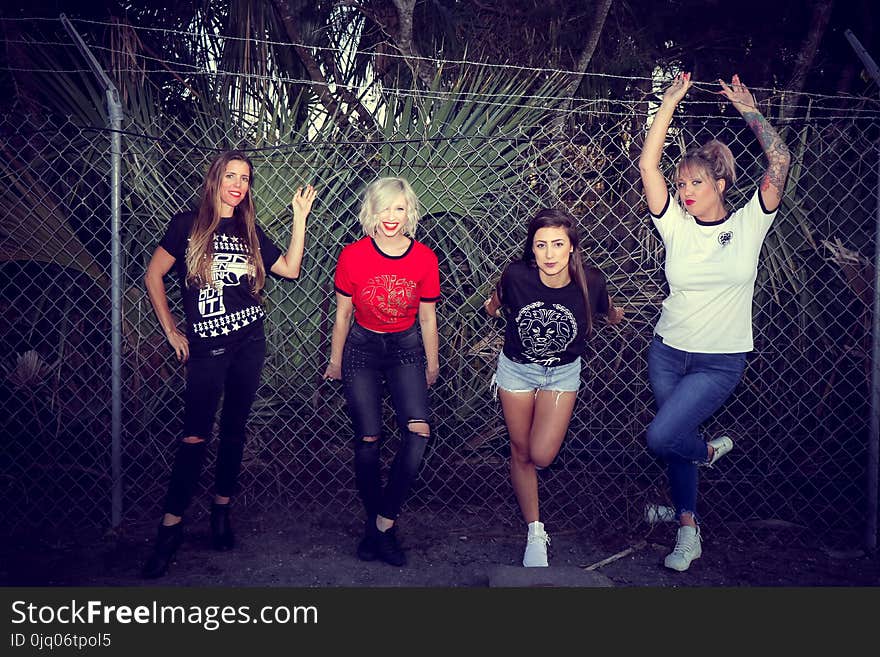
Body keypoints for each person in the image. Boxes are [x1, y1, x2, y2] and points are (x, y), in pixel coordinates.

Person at [638, 73, 791, 572]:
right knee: (674, 442)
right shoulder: (673, 225)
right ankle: (688, 529)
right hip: (668, 351)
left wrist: (750, 109)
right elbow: (647, 163)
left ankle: (704, 451)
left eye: (695, 183)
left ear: (720, 185)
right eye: (681, 184)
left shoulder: (750, 221)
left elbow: (781, 161)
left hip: (719, 362)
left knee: (664, 438)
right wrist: (668, 104)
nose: (684, 191)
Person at [141, 150, 317, 578]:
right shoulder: (186, 225)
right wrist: (171, 330)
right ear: (215, 179)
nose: (238, 184)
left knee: (235, 429)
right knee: (195, 436)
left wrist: (299, 217)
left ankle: (221, 512)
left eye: (245, 178)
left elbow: (291, 270)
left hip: (248, 343)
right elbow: (153, 275)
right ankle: (171, 528)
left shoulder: (249, 230)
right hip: (207, 347)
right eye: (231, 176)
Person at [483, 209, 623, 567]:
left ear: (571, 247)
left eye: (557, 244)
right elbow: (494, 303)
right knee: (520, 450)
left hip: (561, 375)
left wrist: (617, 314)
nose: (549, 254)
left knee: (541, 454)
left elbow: (608, 310)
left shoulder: (591, 282)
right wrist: (494, 309)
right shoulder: (516, 275)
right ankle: (534, 531)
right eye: (540, 245)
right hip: (517, 370)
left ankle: (534, 519)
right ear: (532, 249)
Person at [324, 176, 440, 567]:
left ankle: (383, 523)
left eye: (399, 208)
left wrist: (432, 360)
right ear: (371, 211)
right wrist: (336, 360)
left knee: (419, 432)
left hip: (406, 348)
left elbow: (427, 316)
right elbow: (342, 314)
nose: (391, 216)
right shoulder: (353, 255)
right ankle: (379, 530)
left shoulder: (424, 257)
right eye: (384, 208)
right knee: (369, 438)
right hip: (362, 349)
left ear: (409, 213)